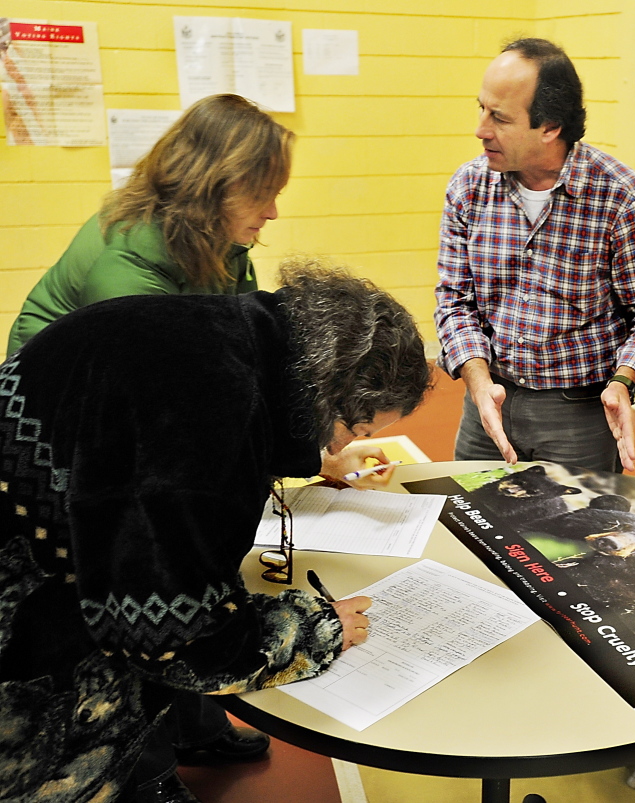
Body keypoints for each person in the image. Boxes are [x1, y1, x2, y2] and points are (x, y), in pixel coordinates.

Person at [0, 256, 433, 802]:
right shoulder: (212, 422)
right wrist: (313, 629)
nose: (343, 445)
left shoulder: (238, 332)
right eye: (353, 428)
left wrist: (304, 453)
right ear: (326, 398)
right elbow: (169, 633)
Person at [434, 38, 635, 474]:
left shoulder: (624, 201)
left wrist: (624, 380)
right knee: (472, 525)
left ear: (550, 127)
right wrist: (477, 379)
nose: (480, 129)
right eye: (481, 108)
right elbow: (454, 299)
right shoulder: (468, 187)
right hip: (486, 401)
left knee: (573, 536)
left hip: (578, 415)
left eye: (499, 117)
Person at [6, 92, 290, 355]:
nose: (273, 213)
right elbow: (150, 367)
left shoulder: (218, 232)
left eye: (274, 194)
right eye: (260, 194)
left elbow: (242, 335)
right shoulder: (136, 248)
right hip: (48, 376)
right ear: (210, 185)